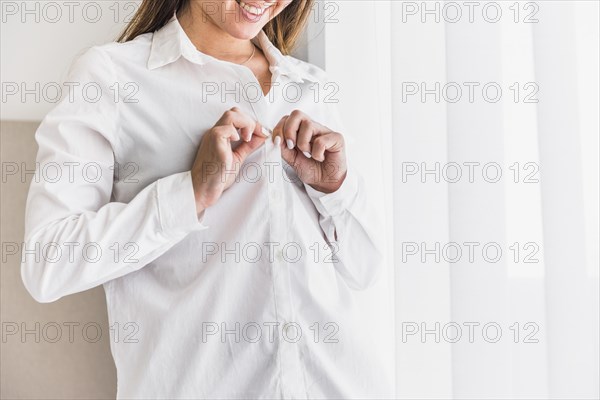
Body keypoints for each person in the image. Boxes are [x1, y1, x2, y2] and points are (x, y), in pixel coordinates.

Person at [21, 0, 394, 398]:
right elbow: (48, 262)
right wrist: (192, 192)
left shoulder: (311, 86)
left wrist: (335, 187)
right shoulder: (112, 77)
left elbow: (365, 267)